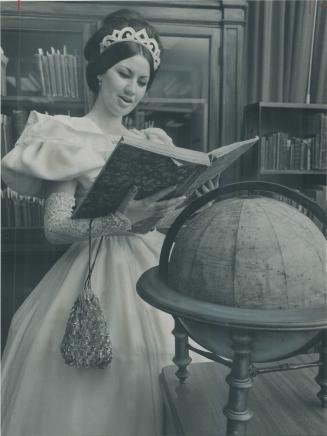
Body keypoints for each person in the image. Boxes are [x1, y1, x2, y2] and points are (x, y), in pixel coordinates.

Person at [1, 8, 213, 436]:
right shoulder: (67, 134)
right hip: (91, 277)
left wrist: (180, 203)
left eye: (141, 81)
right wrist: (121, 220)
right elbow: (54, 228)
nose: (131, 89)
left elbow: (158, 219)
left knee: (170, 369)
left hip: (153, 273)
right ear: (100, 73)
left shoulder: (150, 142)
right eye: (123, 73)